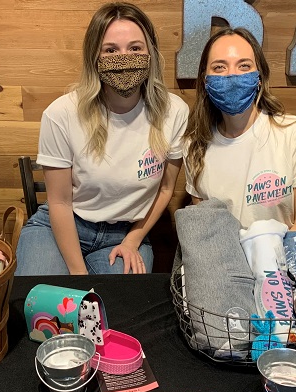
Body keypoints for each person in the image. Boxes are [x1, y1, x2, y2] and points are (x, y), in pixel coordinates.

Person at [16, 2, 188, 275]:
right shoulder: (61, 114)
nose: (124, 57)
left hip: (126, 233)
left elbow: (166, 189)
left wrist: (133, 239)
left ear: (151, 53)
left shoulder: (174, 111)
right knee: (45, 308)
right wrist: (78, 276)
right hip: (63, 225)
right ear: (94, 57)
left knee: (119, 312)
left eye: (135, 48)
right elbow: (60, 202)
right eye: (111, 50)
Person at [183, 27, 296, 234]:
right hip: (223, 263)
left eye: (244, 66)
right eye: (219, 67)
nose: (232, 75)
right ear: (205, 80)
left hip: (279, 261)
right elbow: (206, 231)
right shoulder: (194, 146)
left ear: (259, 77)